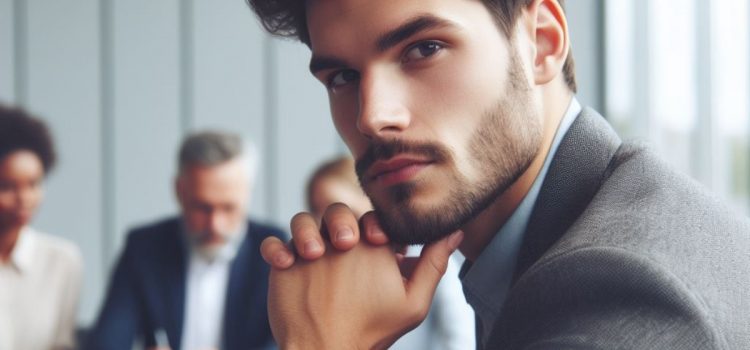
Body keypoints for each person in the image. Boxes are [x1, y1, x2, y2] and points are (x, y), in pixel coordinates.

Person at [247, 0, 750, 349]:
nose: (372, 116)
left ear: (541, 43)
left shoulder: (618, 296)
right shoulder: (596, 221)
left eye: (423, 49)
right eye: (343, 77)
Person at [86, 131, 284, 350]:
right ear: (179, 191)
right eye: (202, 208)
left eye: (228, 208)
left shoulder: (273, 250)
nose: (214, 224)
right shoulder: (143, 248)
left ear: (248, 194)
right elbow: (107, 341)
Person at [306, 156, 475, 350]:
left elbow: (461, 339)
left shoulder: (424, 259)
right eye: (315, 209)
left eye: (335, 206)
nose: (324, 221)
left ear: (369, 200)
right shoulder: (322, 278)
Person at [0, 104, 83, 350]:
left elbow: (62, 344)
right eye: (7, 187)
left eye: (33, 184)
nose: (24, 198)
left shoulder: (63, 261)